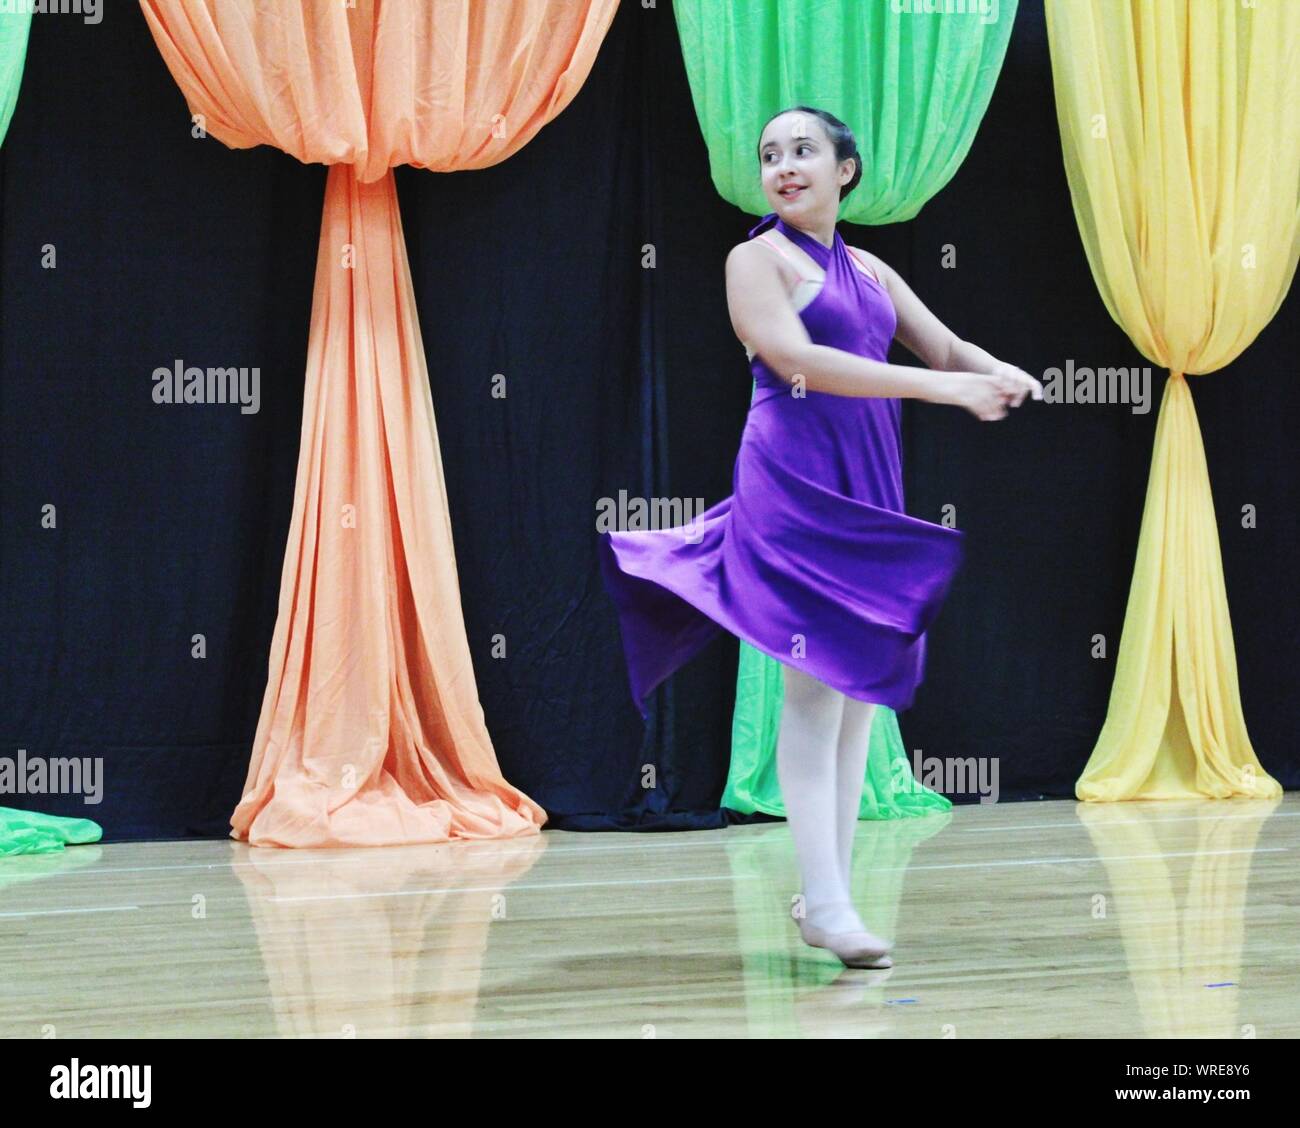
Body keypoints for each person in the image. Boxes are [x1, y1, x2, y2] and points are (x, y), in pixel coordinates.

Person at [599, 105, 1040, 967]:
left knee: (851, 695)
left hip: (866, 482)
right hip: (794, 486)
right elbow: (796, 360)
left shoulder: (870, 268)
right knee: (813, 688)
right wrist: (944, 392)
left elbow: (944, 344)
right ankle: (829, 904)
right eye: (770, 155)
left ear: (846, 169)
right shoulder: (754, 259)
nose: (784, 166)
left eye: (803, 150)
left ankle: (828, 899)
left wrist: (992, 370)